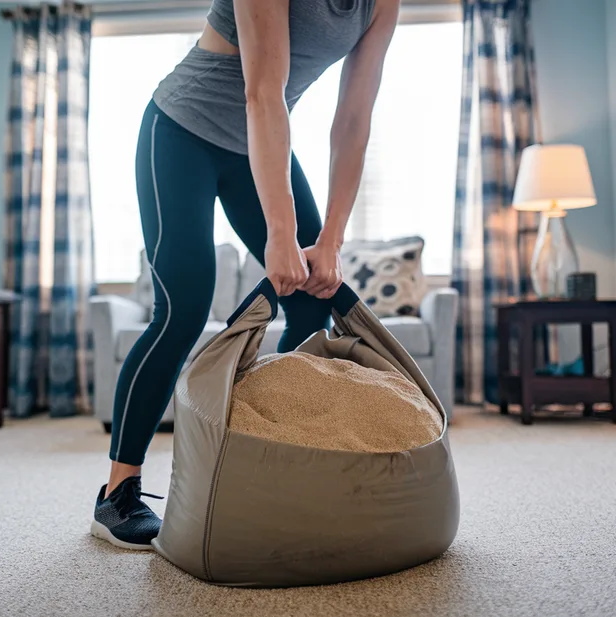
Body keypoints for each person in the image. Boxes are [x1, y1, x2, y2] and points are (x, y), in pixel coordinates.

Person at [91, 0, 400, 550]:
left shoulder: (381, 4)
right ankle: (118, 492)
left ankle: (293, 459)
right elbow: (262, 90)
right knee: (182, 309)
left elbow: (354, 120)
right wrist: (281, 234)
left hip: (257, 148)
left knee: (312, 300)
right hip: (181, 131)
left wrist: (329, 240)